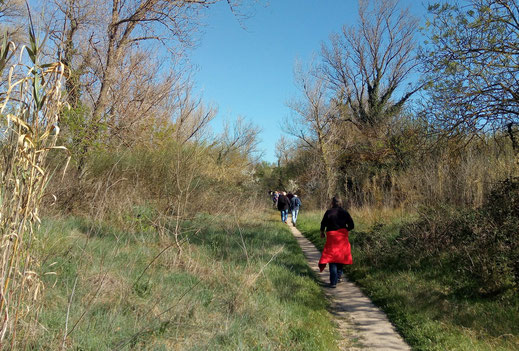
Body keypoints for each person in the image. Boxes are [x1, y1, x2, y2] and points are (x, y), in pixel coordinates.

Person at [318, 196, 354, 288]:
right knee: (340, 256)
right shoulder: (345, 213)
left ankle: (333, 282)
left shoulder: (329, 212)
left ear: (332, 203)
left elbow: (323, 223)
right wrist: (345, 229)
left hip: (332, 237)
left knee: (332, 258)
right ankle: (338, 276)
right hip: (342, 237)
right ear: (341, 203)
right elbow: (352, 225)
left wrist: (322, 232)